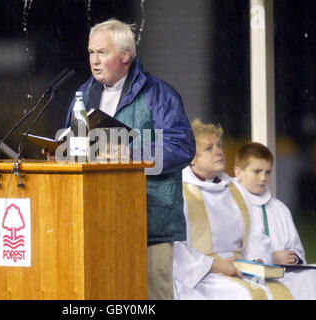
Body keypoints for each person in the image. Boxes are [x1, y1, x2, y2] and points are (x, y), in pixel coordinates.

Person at [62, 19, 196, 299]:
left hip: (149, 219)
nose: (94, 61)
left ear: (125, 56)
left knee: (152, 295)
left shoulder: (160, 94)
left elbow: (182, 146)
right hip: (97, 217)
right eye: (90, 53)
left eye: (102, 52)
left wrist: (132, 154)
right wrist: (60, 149)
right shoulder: (84, 96)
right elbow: (75, 142)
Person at [173, 118, 288, 300]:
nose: (219, 151)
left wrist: (256, 260)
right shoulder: (178, 192)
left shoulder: (236, 189)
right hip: (202, 277)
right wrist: (214, 265)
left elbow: (255, 235)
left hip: (241, 269)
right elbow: (174, 248)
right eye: (209, 148)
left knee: (288, 288)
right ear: (191, 158)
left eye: (219, 145)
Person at [233, 141, 316, 299]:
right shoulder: (226, 204)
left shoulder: (278, 208)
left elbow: (296, 249)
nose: (263, 178)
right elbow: (224, 255)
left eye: (268, 172)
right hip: (243, 278)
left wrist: (294, 258)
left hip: (283, 275)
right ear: (238, 172)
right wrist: (270, 258)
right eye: (257, 171)